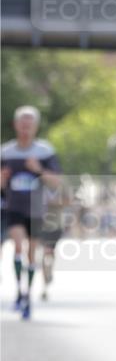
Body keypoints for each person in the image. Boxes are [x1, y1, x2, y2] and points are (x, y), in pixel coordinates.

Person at [1, 106, 62, 320]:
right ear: (16, 125)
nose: (26, 127)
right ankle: (19, 291)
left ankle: (28, 295)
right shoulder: (6, 152)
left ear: (35, 126)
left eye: (30, 123)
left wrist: (38, 170)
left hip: (37, 209)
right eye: (22, 123)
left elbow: (57, 181)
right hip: (14, 208)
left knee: (31, 253)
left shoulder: (45, 152)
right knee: (18, 246)